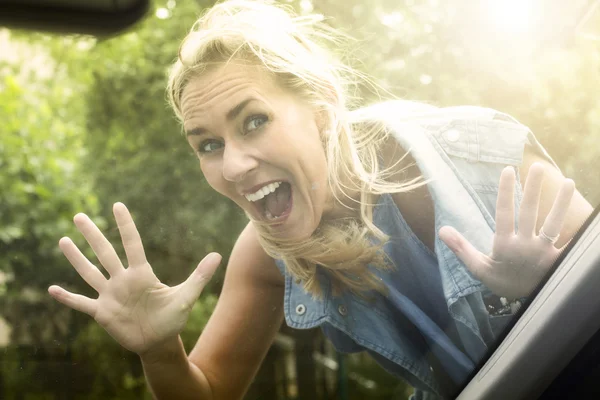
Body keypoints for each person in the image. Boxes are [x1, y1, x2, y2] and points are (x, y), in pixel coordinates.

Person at [47, 0, 594, 399]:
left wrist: (550, 290)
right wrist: (160, 351)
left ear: (322, 109)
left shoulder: (479, 154)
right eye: (209, 145)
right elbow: (208, 392)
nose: (233, 165)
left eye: (254, 121)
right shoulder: (265, 255)